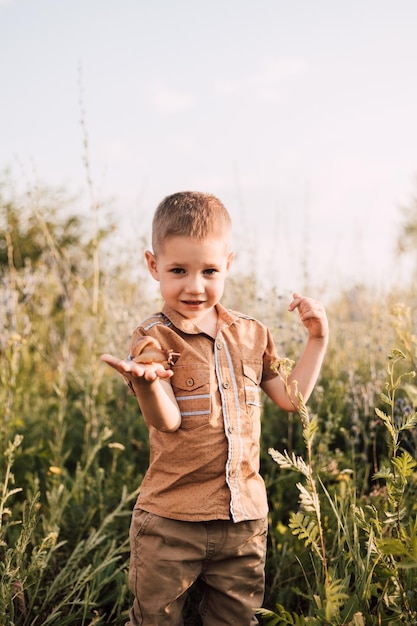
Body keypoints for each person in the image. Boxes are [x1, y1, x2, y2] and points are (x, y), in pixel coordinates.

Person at [101, 191, 329, 626]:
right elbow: (165, 421)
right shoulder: (153, 339)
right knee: (155, 620)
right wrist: (146, 384)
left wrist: (317, 340)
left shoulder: (251, 333)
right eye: (178, 270)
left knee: (236, 619)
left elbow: (288, 398)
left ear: (228, 263)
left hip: (242, 521)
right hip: (171, 521)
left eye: (209, 270)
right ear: (154, 266)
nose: (195, 285)